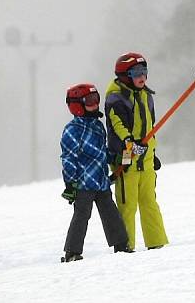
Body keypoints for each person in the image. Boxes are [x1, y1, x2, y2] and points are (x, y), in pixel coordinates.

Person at [104, 52, 168, 251]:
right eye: (136, 72)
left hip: (146, 160)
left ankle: (156, 242)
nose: (142, 77)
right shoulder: (116, 98)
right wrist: (131, 144)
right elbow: (118, 126)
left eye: (144, 71)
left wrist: (152, 152)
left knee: (149, 202)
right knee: (127, 205)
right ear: (125, 76)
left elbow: (150, 126)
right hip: (126, 160)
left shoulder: (146, 95)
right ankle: (125, 246)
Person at [60, 83, 130, 262]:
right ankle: (72, 252)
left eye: (96, 99)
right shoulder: (72, 130)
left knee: (110, 213)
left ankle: (121, 244)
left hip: (100, 181)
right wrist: (71, 183)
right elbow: (68, 158)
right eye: (90, 101)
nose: (95, 104)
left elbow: (101, 152)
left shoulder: (98, 126)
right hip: (83, 184)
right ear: (77, 105)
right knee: (82, 216)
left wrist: (114, 158)